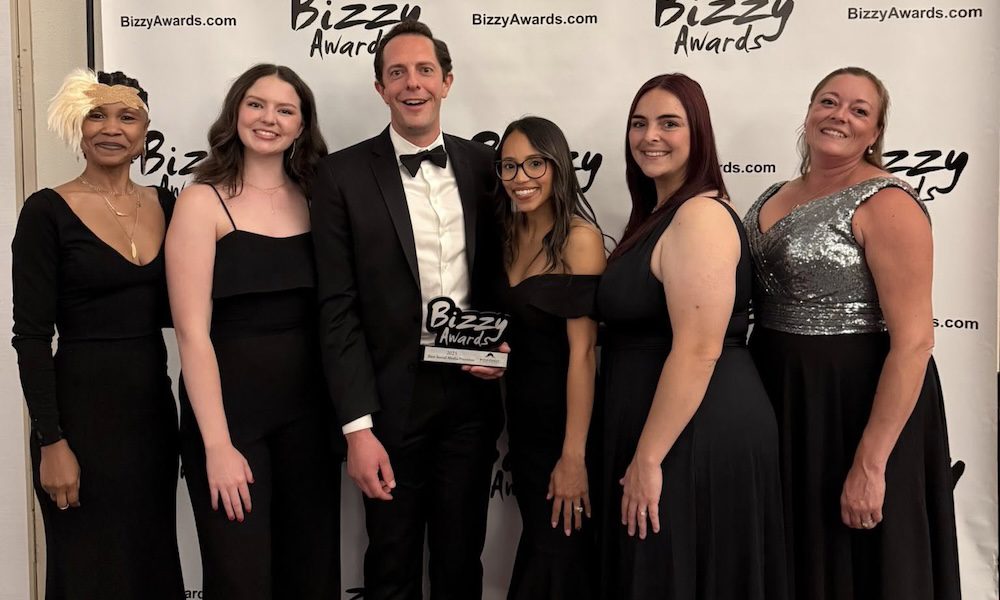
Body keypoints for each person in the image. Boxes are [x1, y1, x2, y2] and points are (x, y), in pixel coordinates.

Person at [744, 66, 961, 600]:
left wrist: (870, 462)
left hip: (857, 403)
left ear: (875, 131)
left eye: (859, 110)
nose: (839, 115)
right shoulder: (773, 193)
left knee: (860, 558)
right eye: (829, 101)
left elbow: (914, 342)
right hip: (784, 394)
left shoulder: (887, 202)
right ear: (810, 110)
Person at [310, 19, 505, 600]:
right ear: (380, 88)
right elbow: (336, 308)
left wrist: (502, 347)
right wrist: (357, 428)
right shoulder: (340, 174)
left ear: (447, 82)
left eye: (425, 71)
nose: (411, 84)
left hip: (471, 397)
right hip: (388, 403)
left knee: (460, 560)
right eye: (397, 73)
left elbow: (505, 278)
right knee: (390, 563)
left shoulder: (485, 166)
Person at [595, 73, 787, 599]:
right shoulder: (660, 215)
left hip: (692, 434)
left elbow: (699, 348)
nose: (649, 136)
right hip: (664, 427)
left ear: (697, 133)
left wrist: (649, 456)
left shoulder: (699, 215)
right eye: (639, 124)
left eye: (669, 123)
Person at [166, 64, 340, 598]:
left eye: (286, 110)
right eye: (257, 104)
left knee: (310, 576)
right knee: (241, 582)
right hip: (229, 421)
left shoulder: (321, 198)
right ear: (236, 112)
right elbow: (192, 335)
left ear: (302, 125)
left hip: (311, 419)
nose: (269, 119)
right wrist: (217, 445)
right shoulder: (202, 200)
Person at [11, 69, 183, 598]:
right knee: (88, 571)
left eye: (127, 116)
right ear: (78, 127)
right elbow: (32, 336)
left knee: (150, 563)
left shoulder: (169, 204)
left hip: (153, 419)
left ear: (146, 131)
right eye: (97, 115)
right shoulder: (46, 210)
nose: (112, 128)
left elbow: (190, 310)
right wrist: (51, 441)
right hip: (78, 422)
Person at [494, 116, 606, 599]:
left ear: (558, 166)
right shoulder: (503, 234)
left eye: (534, 163)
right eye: (509, 166)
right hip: (521, 421)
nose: (521, 178)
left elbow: (583, 356)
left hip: (567, 426)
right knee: (546, 545)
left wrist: (574, 456)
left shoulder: (580, 240)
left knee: (559, 554)